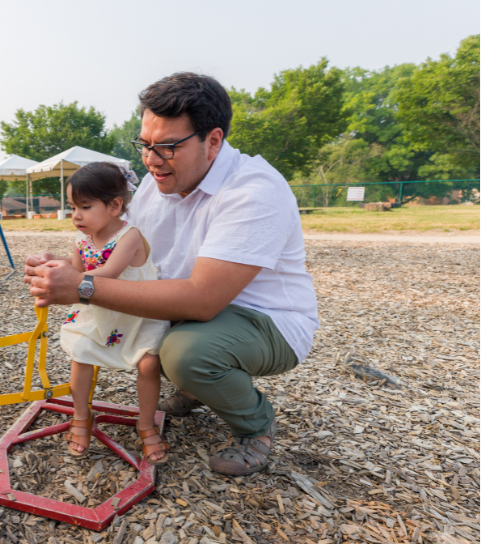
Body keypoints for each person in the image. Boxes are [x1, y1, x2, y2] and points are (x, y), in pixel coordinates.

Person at [25, 72, 319, 476]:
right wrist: (62, 264)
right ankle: (200, 386)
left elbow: (202, 299)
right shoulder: (156, 182)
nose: (151, 159)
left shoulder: (254, 191)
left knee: (184, 352)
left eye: (166, 146)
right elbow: (116, 243)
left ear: (212, 140)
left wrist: (83, 287)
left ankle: (255, 425)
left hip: (266, 319)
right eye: (145, 145)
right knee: (155, 333)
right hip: (191, 309)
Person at [54, 163, 171, 463]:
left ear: (115, 205)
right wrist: (53, 269)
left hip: (138, 314)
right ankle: (81, 414)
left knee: (148, 364)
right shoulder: (81, 240)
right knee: (80, 355)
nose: (76, 216)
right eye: (72, 207)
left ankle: (145, 423)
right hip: (101, 313)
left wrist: (70, 278)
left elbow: (109, 272)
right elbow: (76, 272)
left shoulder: (129, 235)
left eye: (85, 207)